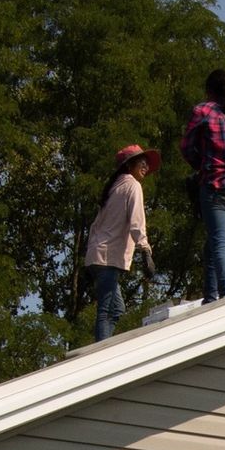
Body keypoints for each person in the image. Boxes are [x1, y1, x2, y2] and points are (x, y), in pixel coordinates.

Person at [179, 68, 225, 302]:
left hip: (216, 186)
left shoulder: (202, 111)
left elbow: (186, 148)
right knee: (214, 243)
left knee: (219, 241)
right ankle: (211, 298)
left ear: (208, 90)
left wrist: (200, 166)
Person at [83, 144, 159, 342]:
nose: (145, 166)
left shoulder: (114, 187)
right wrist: (145, 251)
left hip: (97, 254)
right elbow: (137, 222)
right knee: (107, 310)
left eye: (146, 163)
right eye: (141, 162)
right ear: (129, 165)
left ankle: (103, 346)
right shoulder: (132, 185)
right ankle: (101, 354)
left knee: (116, 308)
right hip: (108, 256)